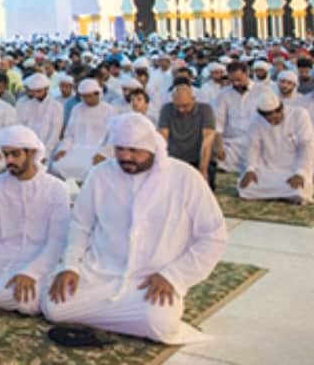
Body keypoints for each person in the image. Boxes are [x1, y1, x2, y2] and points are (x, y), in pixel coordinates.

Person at [42, 114, 227, 344]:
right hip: (100, 274)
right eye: (120, 149)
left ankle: (110, 319)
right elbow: (80, 225)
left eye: (134, 150)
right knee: (54, 308)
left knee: (159, 322)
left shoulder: (184, 178)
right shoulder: (100, 175)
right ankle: (121, 321)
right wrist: (70, 266)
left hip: (148, 281)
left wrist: (174, 276)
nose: (126, 157)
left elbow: (213, 237)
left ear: (153, 149)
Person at [0, 125, 70, 316]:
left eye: (15, 154)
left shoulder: (56, 188)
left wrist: (31, 272)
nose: (9, 160)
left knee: (28, 300)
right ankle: (0, 295)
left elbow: (57, 241)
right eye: (6, 154)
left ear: (31, 153)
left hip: (37, 261)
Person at [239, 92, 314, 204]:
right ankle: (284, 194)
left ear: (281, 110)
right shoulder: (256, 120)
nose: (272, 122)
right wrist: (250, 169)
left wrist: (301, 173)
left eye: (275, 118)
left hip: (294, 168)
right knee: (245, 187)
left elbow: (307, 146)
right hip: (268, 168)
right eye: (268, 119)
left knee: (299, 189)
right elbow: (252, 147)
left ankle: (283, 192)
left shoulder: (299, 114)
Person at [50, 79, 116, 183]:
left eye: (89, 96)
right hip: (76, 149)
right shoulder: (77, 109)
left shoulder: (110, 110)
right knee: (55, 166)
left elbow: (112, 137)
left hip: (98, 150)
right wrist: (63, 149)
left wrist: (104, 154)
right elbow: (69, 135)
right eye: (84, 96)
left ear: (97, 94)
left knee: (92, 171)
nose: (87, 100)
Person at [158, 83, 218, 188]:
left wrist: (203, 170)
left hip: (197, 158)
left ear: (193, 99)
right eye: (177, 106)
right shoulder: (167, 109)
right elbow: (162, 138)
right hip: (175, 160)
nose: (181, 109)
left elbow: (207, 141)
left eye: (185, 106)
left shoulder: (205, 110)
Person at [213, 62, 259, 174]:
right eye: (232, 80)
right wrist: (218, 146)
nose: (236, 83)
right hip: (230, 144)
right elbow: (217, 124)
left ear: (247, 73)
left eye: (239, 79)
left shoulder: (263, 91)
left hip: (256, 142)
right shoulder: (223, 95)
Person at [14, 73, 63, 155]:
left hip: (49, 147)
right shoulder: (27, 104)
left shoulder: (56, 106)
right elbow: (22, 125)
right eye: (34, 91)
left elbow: (55, 132)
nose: (36, 94)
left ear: (46, 89)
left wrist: (46, 150)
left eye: (39, 91)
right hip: (29, 145)